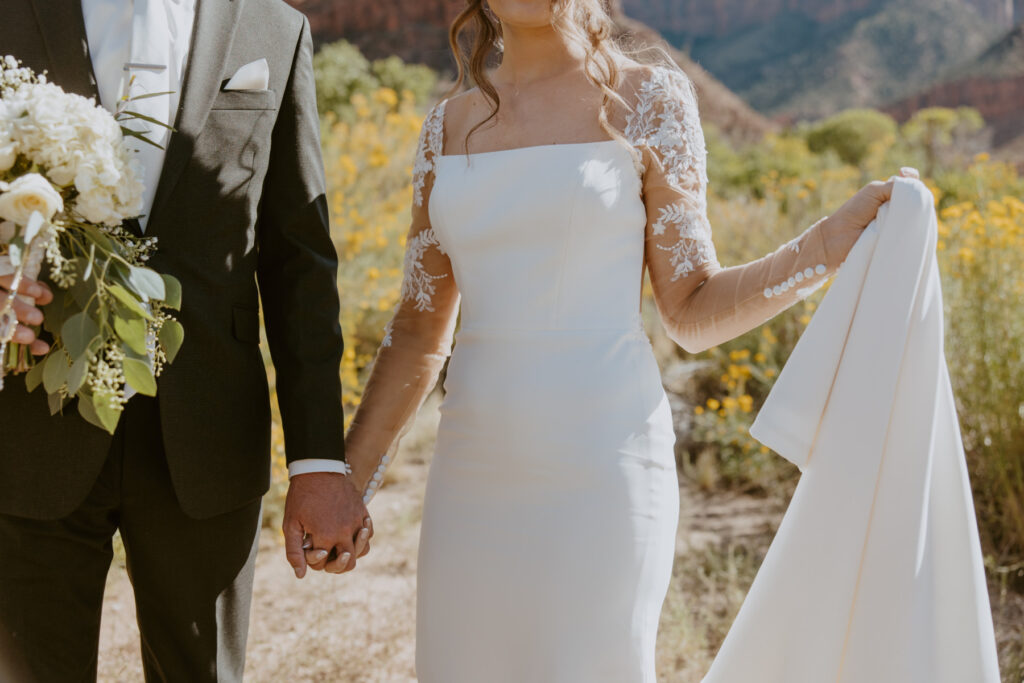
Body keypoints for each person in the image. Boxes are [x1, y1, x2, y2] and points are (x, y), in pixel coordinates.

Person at [306, 0, 919, 681]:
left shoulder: (650, 98)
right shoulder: (445, 128)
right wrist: (346, 483)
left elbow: (690, 308)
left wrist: (825, 248)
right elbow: (419, 329)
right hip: (471, 477)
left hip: (605, 466)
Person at [0, 1, 369, 680]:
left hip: (207, 434)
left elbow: (298, 262)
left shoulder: (273, 30)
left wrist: (318, 460)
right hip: (30, 420)